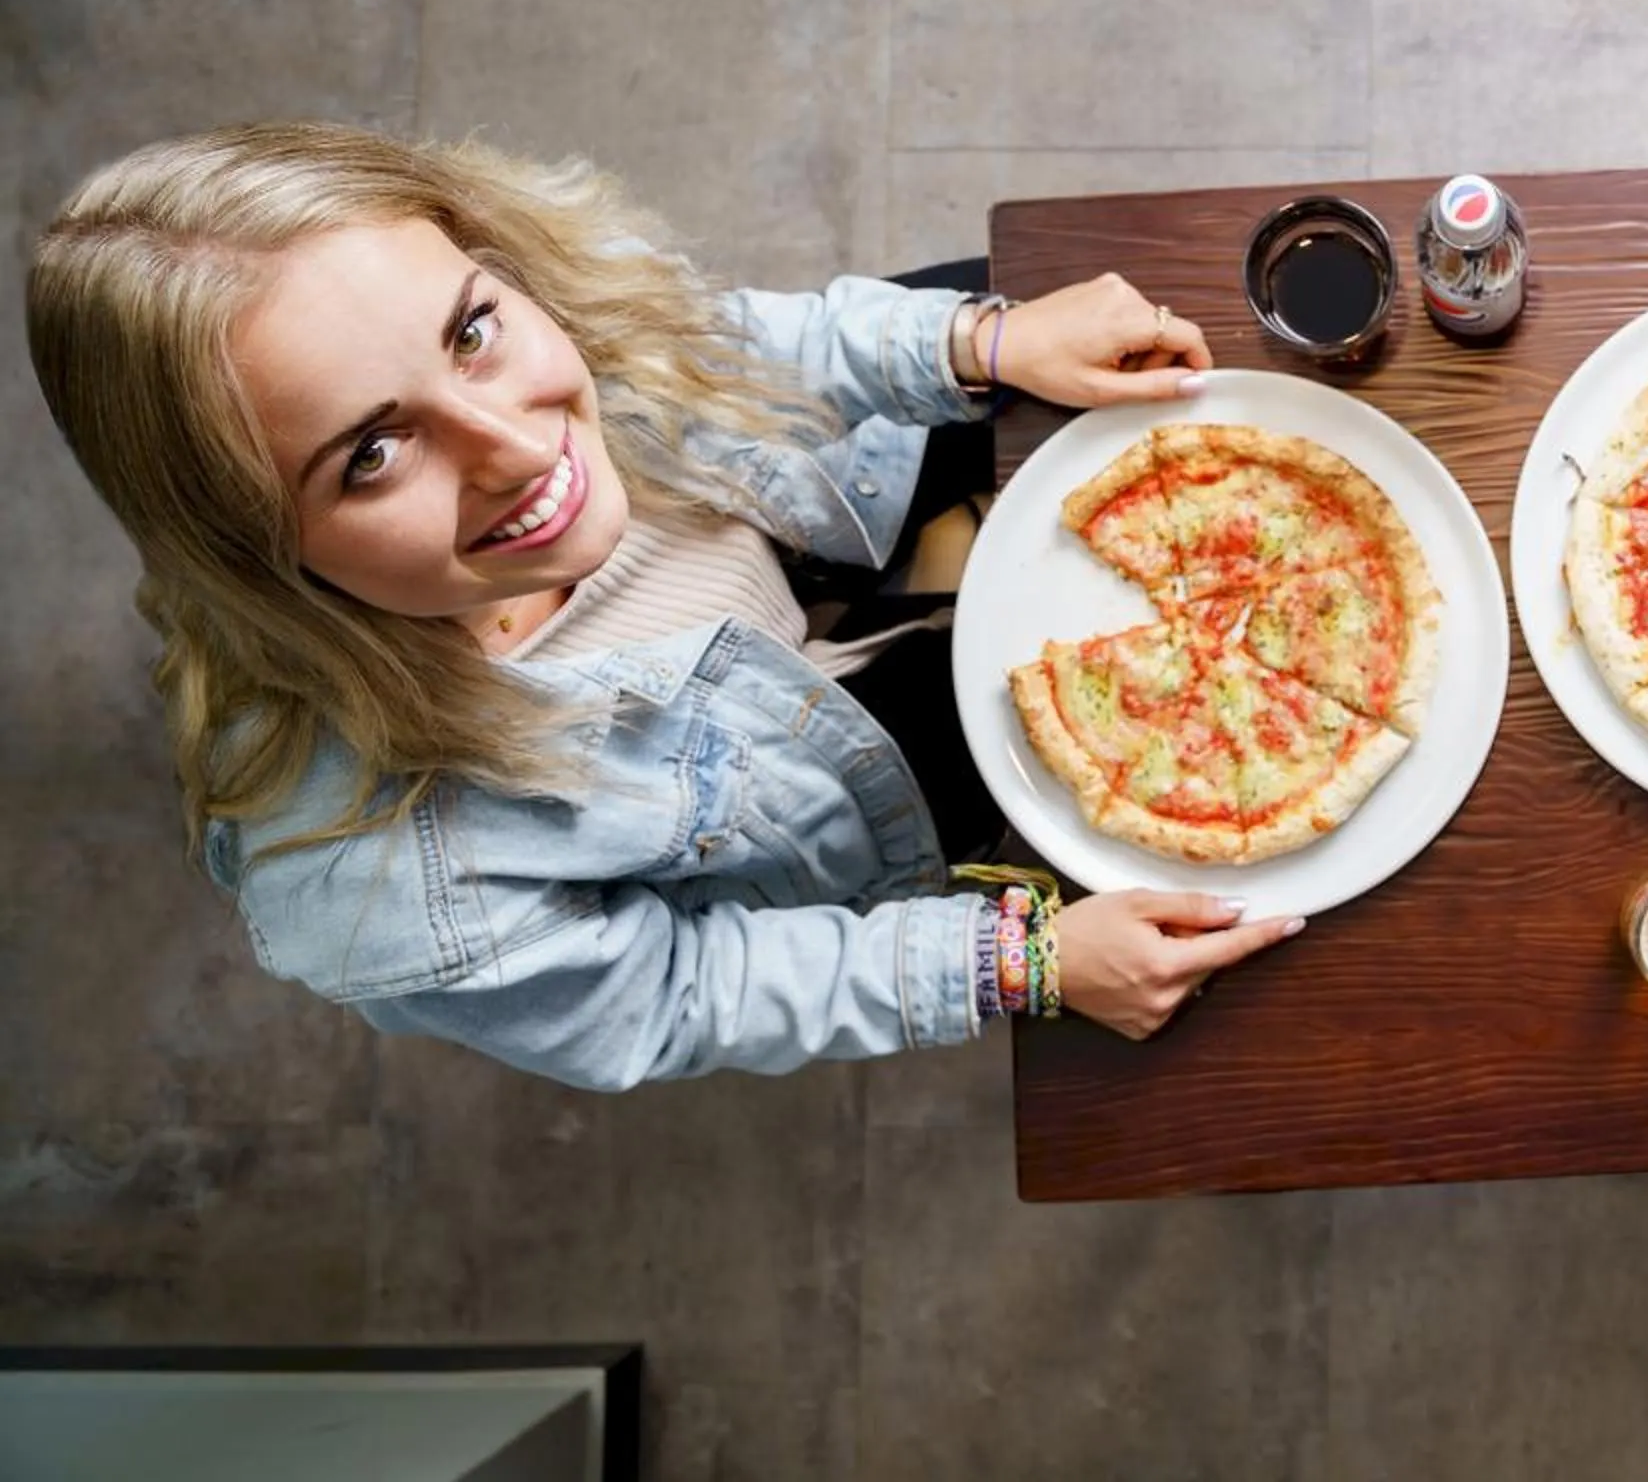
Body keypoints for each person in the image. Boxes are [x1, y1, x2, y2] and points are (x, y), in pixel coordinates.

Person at [26, 124, 1302, 1090]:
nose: (518, 449)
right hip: (822, 778)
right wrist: (1018, 963)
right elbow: (688, 991)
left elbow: (709, 345)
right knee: (1119, 767)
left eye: (472, 330)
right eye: (370, 453)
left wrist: (972, 343)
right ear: (250, 543)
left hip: (794, 501)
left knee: (1098, 332)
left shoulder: (526, 314)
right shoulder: (395, 894)